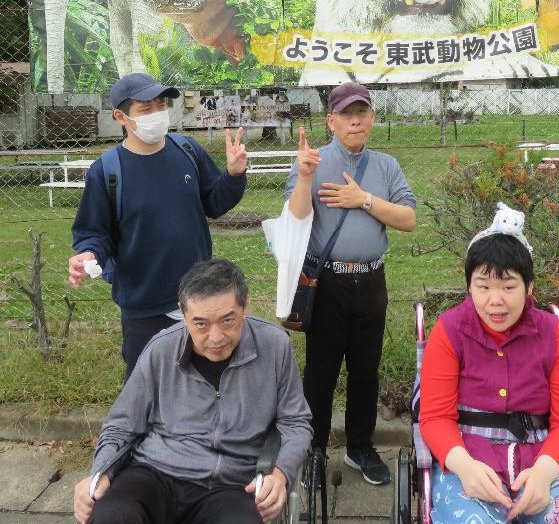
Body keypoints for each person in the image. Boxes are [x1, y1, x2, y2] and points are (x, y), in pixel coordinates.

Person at [73, 259, 313, 524]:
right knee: (111, 515)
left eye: (228, 320)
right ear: (183, 313)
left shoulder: (275, 346)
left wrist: (280, 474)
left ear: (245, 306)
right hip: (155, 474)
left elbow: (296, 421)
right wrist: (99, 473)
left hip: (232, 485)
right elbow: (120, 425)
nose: (216, 337)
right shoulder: (161, 349)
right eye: (200, 324)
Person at [419, 207, 559, 524]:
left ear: (529, 287)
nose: (495, 299)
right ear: (469, 286)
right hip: (469, 462)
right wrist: (465, 467)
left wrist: (544, 473)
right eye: (483, 286)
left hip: (544, 461)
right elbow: (435, 418)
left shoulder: (553, 334)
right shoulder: (450, 331)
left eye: (508, 287)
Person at [68, 73, 248, 378]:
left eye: (161, 105)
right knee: (148, 388)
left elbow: (215, 203)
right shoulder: (107, 171)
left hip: (199, 300)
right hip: (144, 305)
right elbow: (94, 232)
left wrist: (233, 175)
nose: (157, 114)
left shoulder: (187, 151)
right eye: (146, 109)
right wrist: (89, 253)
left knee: (205, 383)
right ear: (121, 117)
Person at [286, 82, 416, 486]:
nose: (355, 120)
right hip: (327, 283)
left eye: (362, 112)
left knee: (365, 370)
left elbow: (408, 219)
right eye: (346, 113)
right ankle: (314, 451)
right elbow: (295, 218)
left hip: (371, 282)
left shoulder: (386, 166)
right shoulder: (312, 161)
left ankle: (360, 447)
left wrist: (364, 199)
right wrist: (304, 178)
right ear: (331, 121)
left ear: (372, 117)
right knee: (320, 372)